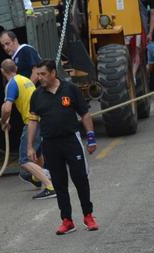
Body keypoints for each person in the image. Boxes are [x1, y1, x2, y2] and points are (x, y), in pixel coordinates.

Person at [27, 60, 99, 235]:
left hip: (71, 141)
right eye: (38, 74)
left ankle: (88, 215)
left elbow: (85, 113)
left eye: (43, 74)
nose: (40, 78)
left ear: (53, 73)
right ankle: (67, 220)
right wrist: (30, 146)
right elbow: (33, 121)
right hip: (50, 144)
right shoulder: (37, 95)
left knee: (80, 178)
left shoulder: (70, 89)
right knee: (59, 183)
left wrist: (91, 138)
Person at [0, 58, 56, 200]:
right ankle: (37, 179)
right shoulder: (26, 80)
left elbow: (7, 108)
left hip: (33, 122)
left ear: (2, 71)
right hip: (43, 119)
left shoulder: (11, 84)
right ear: (16, 68)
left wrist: (4, 121)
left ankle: (50, 186)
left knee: (24, 159)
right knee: (38, 154)